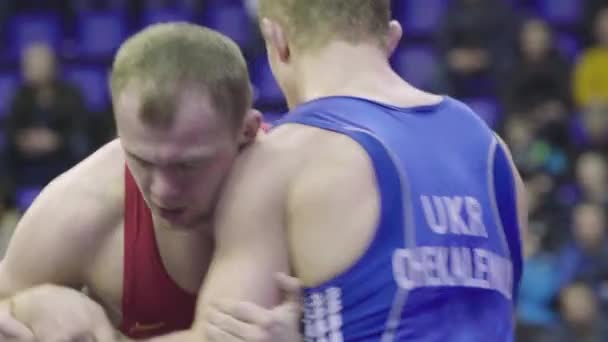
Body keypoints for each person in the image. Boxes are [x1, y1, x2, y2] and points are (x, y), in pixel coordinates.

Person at [201, 0, 527, 340]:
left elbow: (220, 332)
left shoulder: (282, 158)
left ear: (277, 38)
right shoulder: (493, 153)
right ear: (391, 38)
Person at [0, 22, 292, 341]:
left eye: (187, 165)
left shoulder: (303, 181)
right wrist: (25, 306)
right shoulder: (81, 207)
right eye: (141, 160)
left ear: (247, 132)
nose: (162, 191)